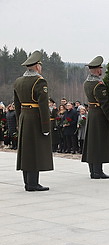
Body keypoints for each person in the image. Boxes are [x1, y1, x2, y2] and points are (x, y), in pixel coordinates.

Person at [13, 50, 52, 191]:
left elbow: (16, 104)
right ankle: (33, 183)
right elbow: (43, 106)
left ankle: (27, 183)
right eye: (40, 65)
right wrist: (46, 127)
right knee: (35, 151)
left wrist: (19, 121)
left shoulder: (18, 81)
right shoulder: (40, 81)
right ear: (36, 66)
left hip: (24, 116)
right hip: (35, 118)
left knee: (26, 151)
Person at [82, 56, 109, 179]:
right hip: (99, 115)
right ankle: (98, 171)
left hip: (92, 112)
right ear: (97, 70)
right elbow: (105, 104)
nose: (102, 70)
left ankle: (93, 171)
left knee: (92, 142)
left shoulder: (87, 83)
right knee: (99, 143)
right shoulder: (98, 85)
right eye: (100, 68)